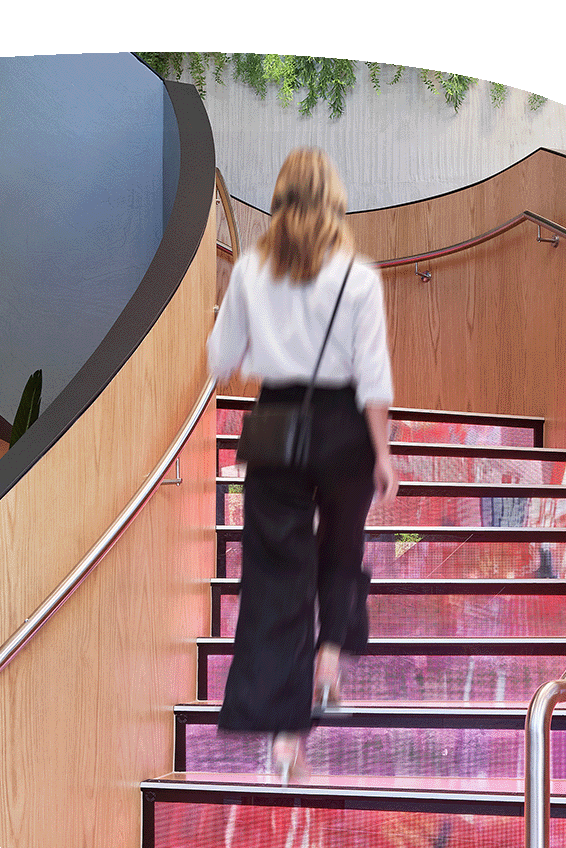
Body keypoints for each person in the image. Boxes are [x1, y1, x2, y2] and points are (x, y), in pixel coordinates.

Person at [206, 147, 397, 784]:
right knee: (341, 548)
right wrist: (384, 451)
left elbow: (219, 357)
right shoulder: (360, 278)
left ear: (281, 200)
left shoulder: (251, 271)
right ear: (335, 200)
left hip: (277, 424)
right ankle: (330, 665)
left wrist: (268, 335)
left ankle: (286, 738)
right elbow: (374, 377)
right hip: (345, 426)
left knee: (278, 571)